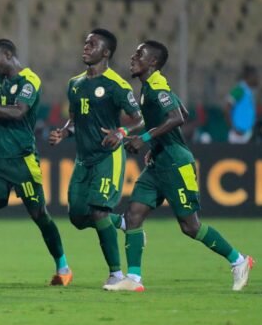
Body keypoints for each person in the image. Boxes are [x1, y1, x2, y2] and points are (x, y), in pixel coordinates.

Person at [107, 41, 254, 292]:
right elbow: (181, 110)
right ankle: (133, 279)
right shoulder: (148, 87)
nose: (132, 57)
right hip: (159, 160)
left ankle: (239, 261)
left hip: (176, 162)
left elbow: (178, 117)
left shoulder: (156, 85)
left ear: (153, 62)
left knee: (190, 226)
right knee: (133, 215)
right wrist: (154, 146)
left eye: (139, 54)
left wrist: (143, 139)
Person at [0, 39, 72, 287]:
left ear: (8, 55)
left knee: (39, 214)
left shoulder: (30, 81)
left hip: (22, 159)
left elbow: (18, 111)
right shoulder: (1, 81)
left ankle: (63, 267)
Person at [49, 29, 144, 288]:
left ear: (106, 52)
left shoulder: (117, 85)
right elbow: (75, 118)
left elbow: (139, 119)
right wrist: (65, 132)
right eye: (86, 42)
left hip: (108, 157)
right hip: (83, 159)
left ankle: (117, 275)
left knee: (99, 211)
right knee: (78, 217)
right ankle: (122, 222)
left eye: (93, 44)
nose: (86, 47)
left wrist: (121, 131)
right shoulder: (75, 84)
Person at [225, 64, 258, 144]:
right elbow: (227, 108)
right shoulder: (239, 90)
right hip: (237, 135)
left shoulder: (249, 91)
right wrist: (234, 128)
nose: (257, 79)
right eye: (255, 76)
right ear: (249, 76)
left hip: (248, 133)